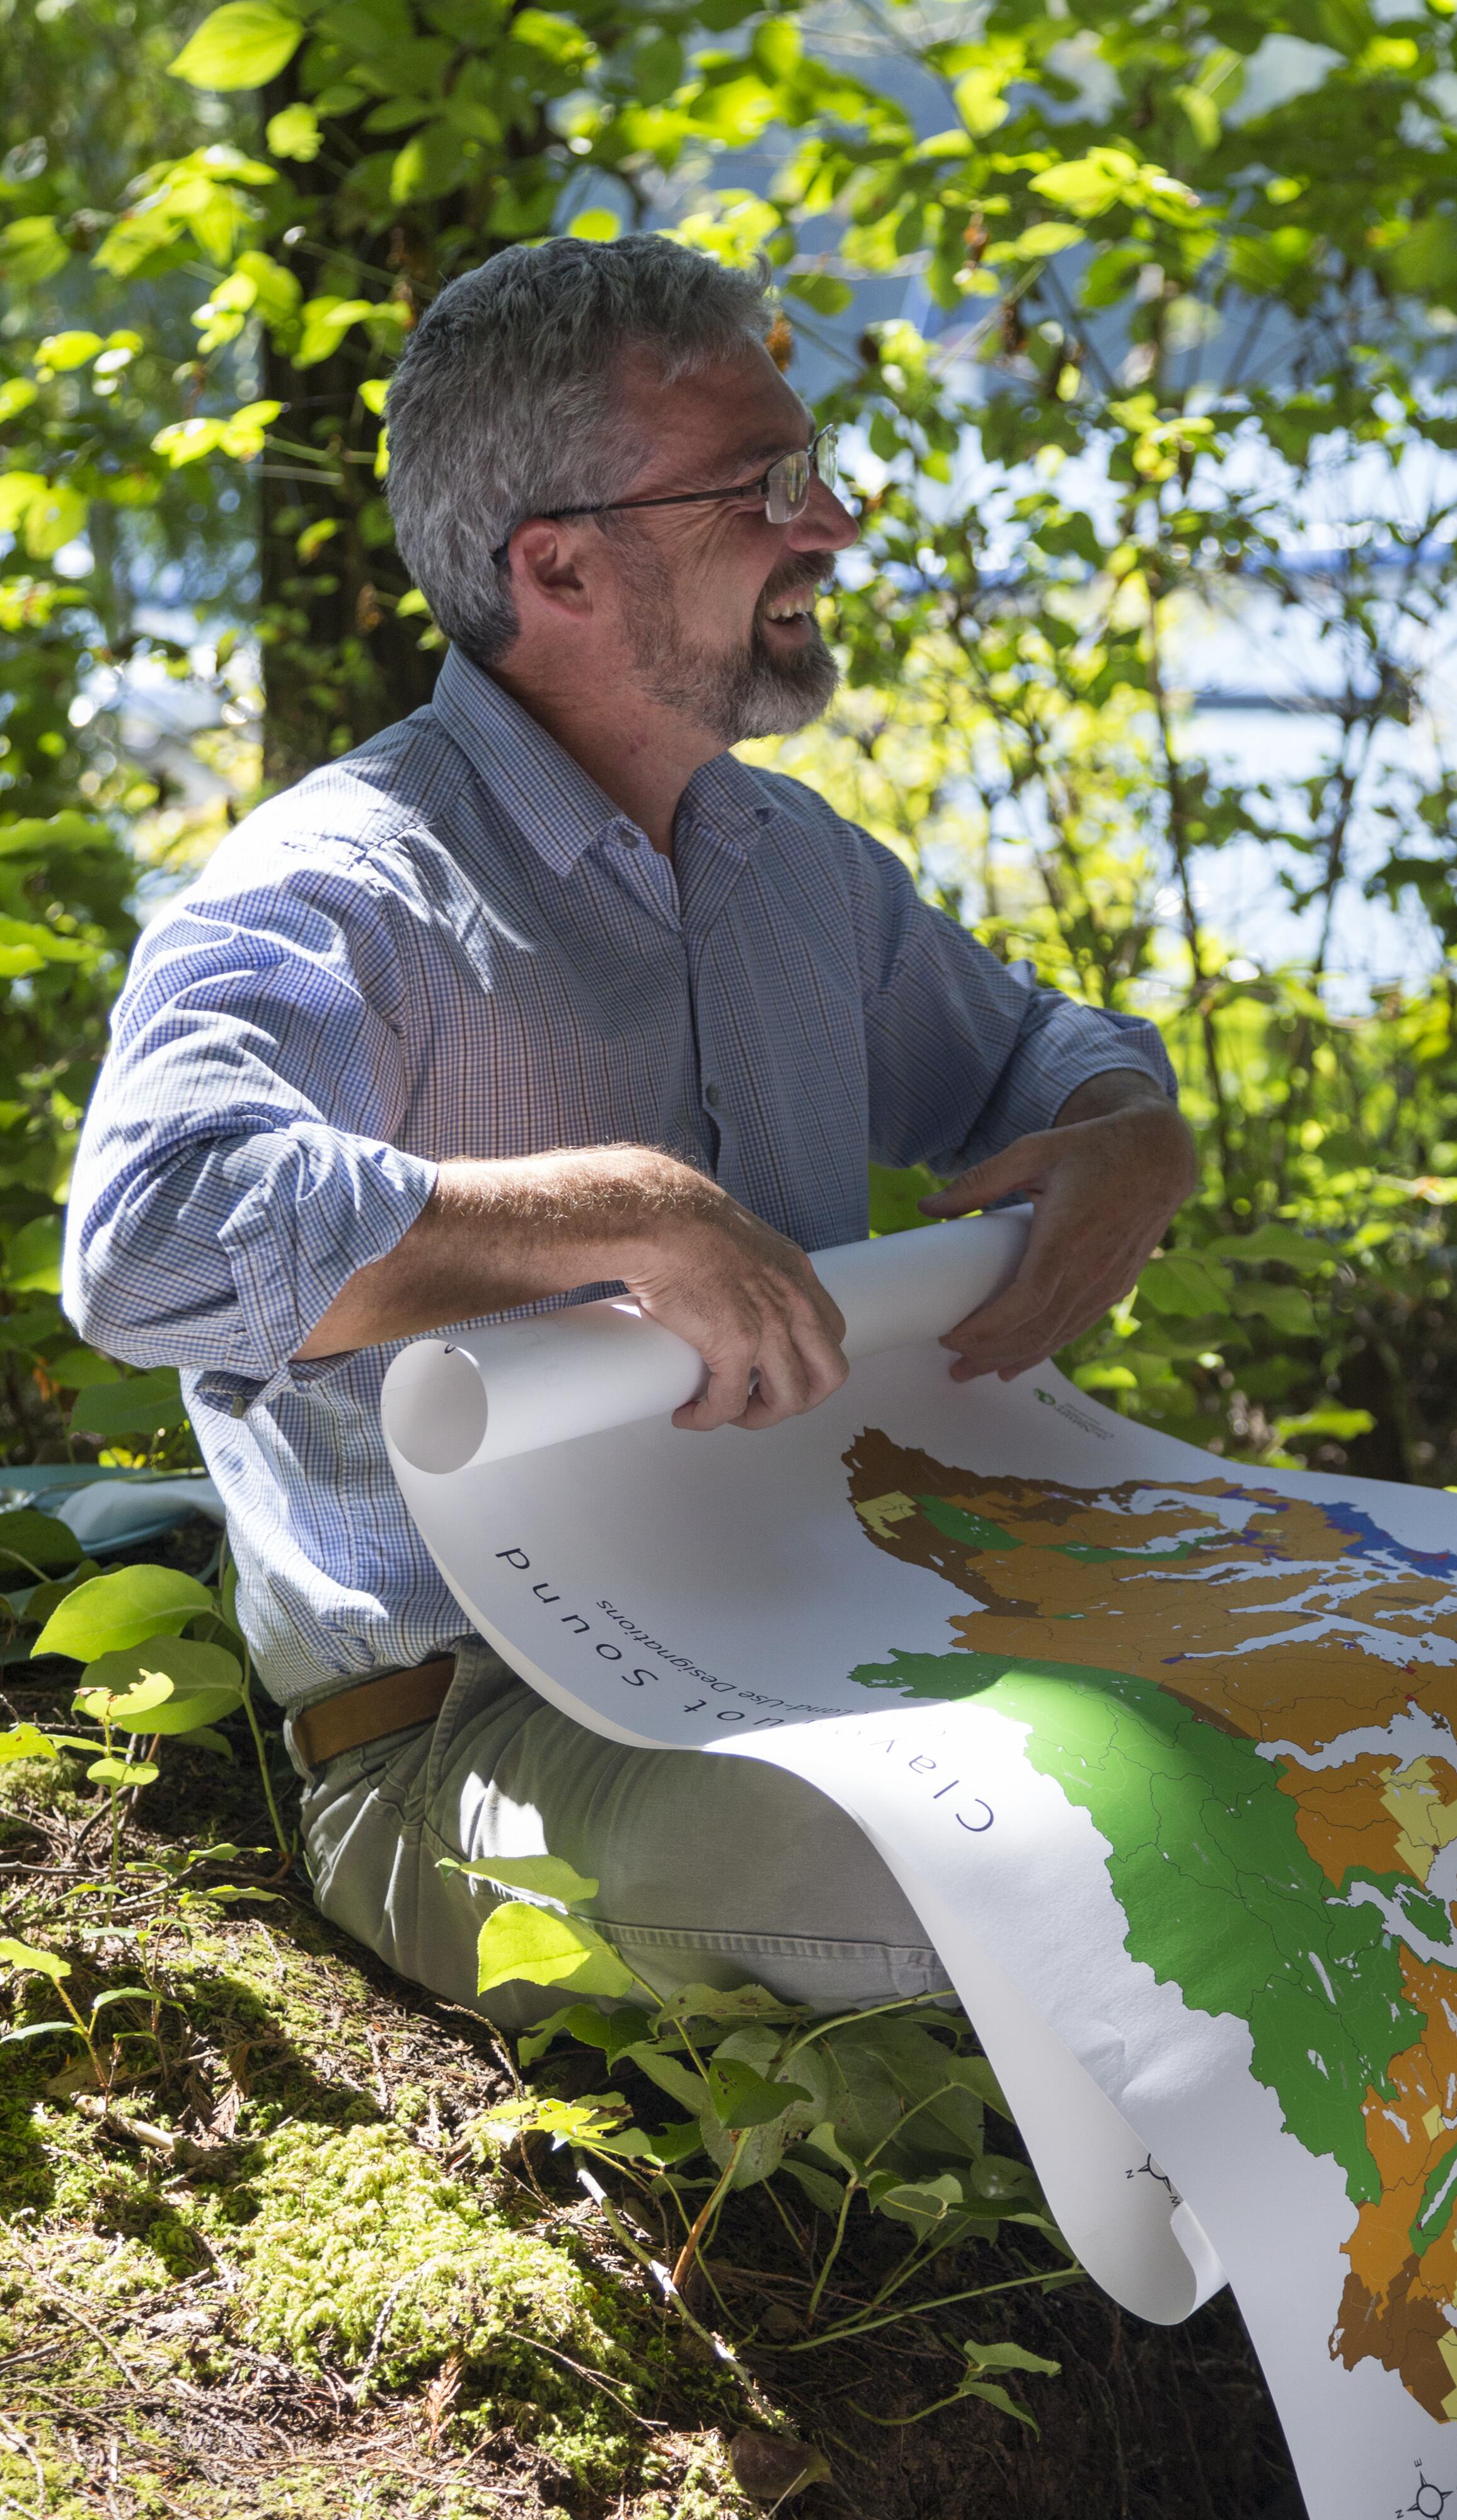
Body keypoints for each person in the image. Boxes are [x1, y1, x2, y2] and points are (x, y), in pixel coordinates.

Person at [64, 236, 1195, 2026]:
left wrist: (1130, 1125)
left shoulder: (790, 863)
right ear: (559, 566)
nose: (830, 528)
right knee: (1061, 1874)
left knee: (1365, 1710)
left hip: (844, 1637)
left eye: (810, 470)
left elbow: (1043, 1059)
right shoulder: (341, 886)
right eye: (762, 491)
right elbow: (148, 1241)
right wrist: (616, 1211)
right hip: (481, 1748)